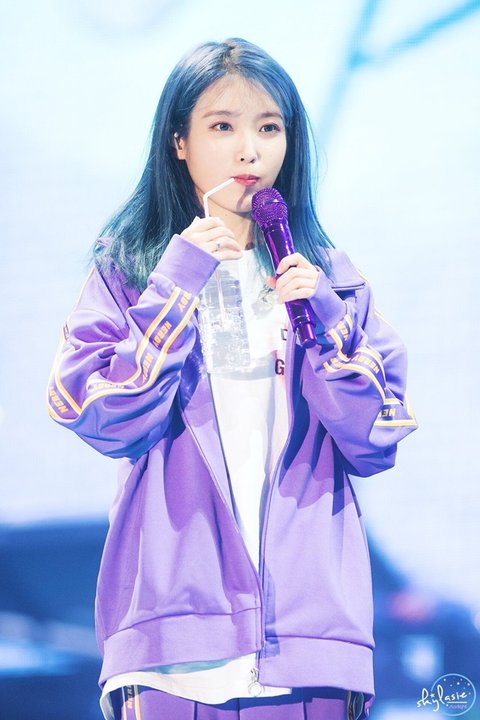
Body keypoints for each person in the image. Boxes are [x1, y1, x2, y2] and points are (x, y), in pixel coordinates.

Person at [47, 37, 417, 720]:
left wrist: (323, 318)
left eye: (269, 128)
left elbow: (378, 437)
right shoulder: (132, 273)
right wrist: (177, 283)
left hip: (311, 640)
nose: (249, 150)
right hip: (171, 640)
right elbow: (101, 416)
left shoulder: (330, 278)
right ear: (179, 141)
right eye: (223, 126)